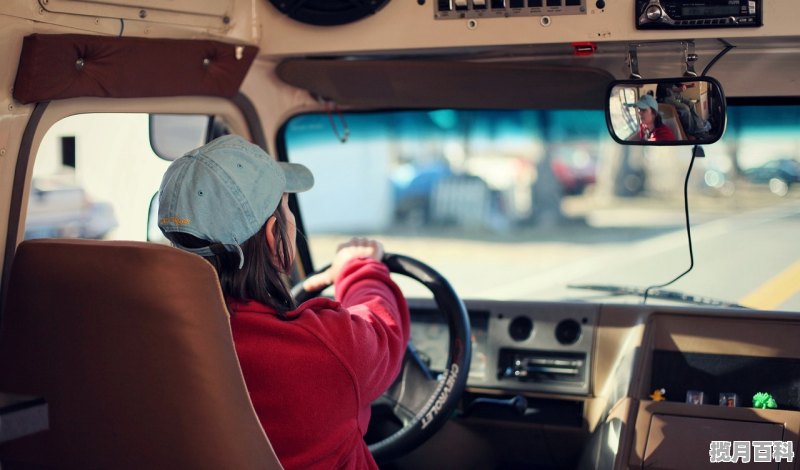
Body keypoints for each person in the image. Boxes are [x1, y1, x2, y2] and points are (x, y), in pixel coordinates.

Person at [157, 134, 410, 470]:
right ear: (274, 233)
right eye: (287, 206)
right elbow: (383, 330)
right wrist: (360, 269)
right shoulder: (324, 349)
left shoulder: (152, 341)